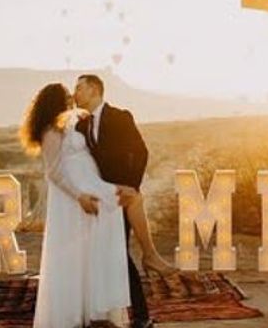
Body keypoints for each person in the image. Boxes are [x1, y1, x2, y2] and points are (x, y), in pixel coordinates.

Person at [20, 82, 142, 327]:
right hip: (72, 197)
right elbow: (53, 173)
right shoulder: (51, 131)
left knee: (92, 247)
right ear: (56, 102)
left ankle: (100, 302)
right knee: (74, 253)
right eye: (67, 95)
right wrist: (79, 196)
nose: (72, 97)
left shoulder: (71, 123)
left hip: (90, 185)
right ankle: (75, 313)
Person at [73, 74, 177, 328]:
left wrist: (132, 186)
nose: (75, 92)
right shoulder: (81, 126)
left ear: (94, 90)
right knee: (117, 254)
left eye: (79, 88)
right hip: (99, 198)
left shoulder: (121, 117)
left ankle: (141, 315)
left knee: (120, 252)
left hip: (120, 198)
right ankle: (135, 310)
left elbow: (141, 152)